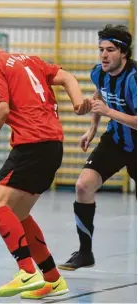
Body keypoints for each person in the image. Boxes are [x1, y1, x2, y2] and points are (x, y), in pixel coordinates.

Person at [0, 19, 91, 299]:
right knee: (18, 214)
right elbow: (66, 77)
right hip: (53, 144)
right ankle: (52, 279)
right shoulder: (29, 59)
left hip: (32, 144)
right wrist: (77, 102)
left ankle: (26, 270)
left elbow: (1, 110)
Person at [58, 24, 136, 271]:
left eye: (110, 50)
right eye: (100, 49)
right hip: (115, 141)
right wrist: (92, 128)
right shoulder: (99, 74)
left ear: (124, 53)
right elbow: (99, 95)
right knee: (83, 186)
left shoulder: (134, 80)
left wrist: (110, 112)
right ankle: (84, 252)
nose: (103, 55)